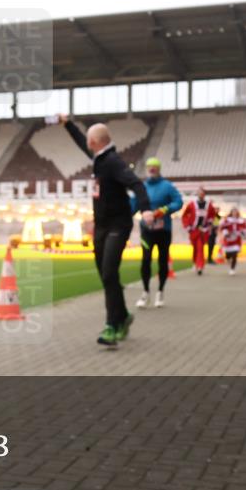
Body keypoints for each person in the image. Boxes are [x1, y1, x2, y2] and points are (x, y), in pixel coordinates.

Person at [60, 115, 153, 346]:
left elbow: (136, 184)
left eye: (89, 141)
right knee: (105, 275)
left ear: (96, 142)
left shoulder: (112, 162)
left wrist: (146, 209)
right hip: (101, 226)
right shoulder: (100, 157)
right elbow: (82, 142)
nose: (87, 144)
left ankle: (111, 325)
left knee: (110, 273)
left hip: (117, 225)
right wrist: (68, 124)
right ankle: (122, 316)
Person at [132, 158, 182, 308]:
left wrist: (164, 210)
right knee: (146, 259)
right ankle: (146, 292)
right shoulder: (142, 187)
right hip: (146, 231)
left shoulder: (167, 186)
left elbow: (178, 202)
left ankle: (160, 291)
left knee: (162, 260)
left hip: (163, 231)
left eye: (154, 167)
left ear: (159, 169)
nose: (152, 169)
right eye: (149, 167)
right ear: (146, 169)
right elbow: (132, 206)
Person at [180, 187, 218, 276]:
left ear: (204, 194)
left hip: (203, 230)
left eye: (202, 193)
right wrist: (187, 226)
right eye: (199, 193)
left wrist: (209, 223)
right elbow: (184, 215)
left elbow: (213, 215)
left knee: (200, 247)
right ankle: (195, 262)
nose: (201, 195)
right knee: (195, 248)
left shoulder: (209, 205)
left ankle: (200, 266)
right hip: (193, 230)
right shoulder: (192, 204)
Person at [219, 207, 246, 275]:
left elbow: (244, 229)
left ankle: (232, 269)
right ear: (231, 213)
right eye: (233, 212)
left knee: (235, 254)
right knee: (228, 255)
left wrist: (242, 233)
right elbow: (222, 227)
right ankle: (229, 260)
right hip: (228, 239)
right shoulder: (227, 220)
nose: (234, 213)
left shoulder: (241, 220)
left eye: (236, 212)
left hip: (236, 239)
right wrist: (226, 233)